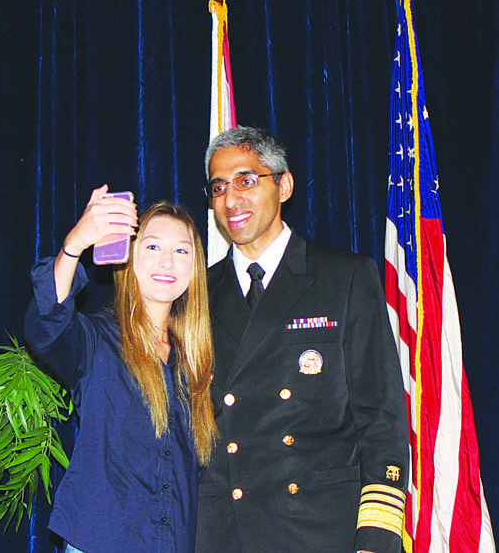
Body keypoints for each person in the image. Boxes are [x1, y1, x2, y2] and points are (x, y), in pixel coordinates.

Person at [195, 127, 409, 553]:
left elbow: (380, 415)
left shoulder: (344, 277)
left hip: (320, 530)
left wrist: (375, 537)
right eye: (219, 187)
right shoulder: (197, 291)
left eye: (246, 180)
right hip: (226, 532)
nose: (231, 199)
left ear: (285, 185)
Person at [24, 185, 217, 553]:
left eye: (181, 251)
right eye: (153, 246)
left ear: (195, 268)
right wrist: (75, 244)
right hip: (99, 540)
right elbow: (48, 324)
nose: (167, 262)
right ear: (130, 256)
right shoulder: (97, 341)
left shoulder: (196, 361)